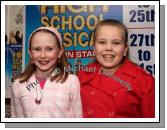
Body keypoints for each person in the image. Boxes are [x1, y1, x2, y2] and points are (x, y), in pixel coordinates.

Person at [78, 19, 155, 118]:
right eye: (102, 42)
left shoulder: (145, 81)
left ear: (125, 49)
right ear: (94, 47)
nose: (108, 48)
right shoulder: (82, 75)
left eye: (116, 43)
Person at [11, 26, 82, 118]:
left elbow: (78, 118)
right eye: (37, 49)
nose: (43, 55)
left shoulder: (72, 82)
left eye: (49, 49)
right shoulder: (18, 84)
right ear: (30, 53)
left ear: (60, 52)